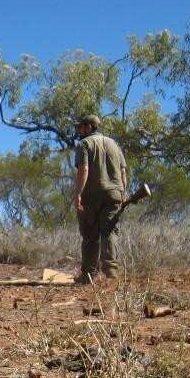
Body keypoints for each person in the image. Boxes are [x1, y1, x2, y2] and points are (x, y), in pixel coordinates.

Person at [71, 114, 127, 283]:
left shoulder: (84, 144)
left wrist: (79, 193)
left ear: (89, 126)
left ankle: (89, 274)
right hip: (115, 193)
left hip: (93, 194)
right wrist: (123, 192)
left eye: (80, 127)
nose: (78, 130)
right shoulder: (114, 144)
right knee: (110, 231)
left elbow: (84, 169)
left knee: (90, 234)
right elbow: (123, 170)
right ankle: (111, 272)